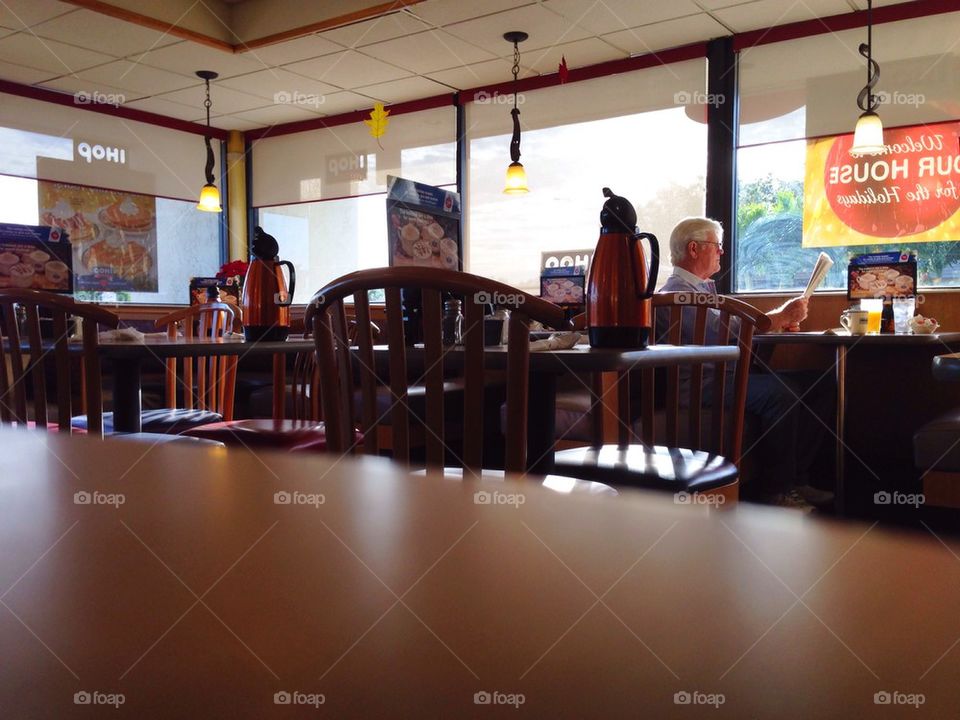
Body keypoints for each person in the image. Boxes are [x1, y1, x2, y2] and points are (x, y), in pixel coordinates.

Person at [657, 216, 834, 511]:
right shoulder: (674, 295)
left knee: (821, 383)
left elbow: (727, 331)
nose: (721, 252)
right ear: (693, 249)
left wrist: (777, 323)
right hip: (702, 384)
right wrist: (782, 316)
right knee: (782, 394)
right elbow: (727, 331)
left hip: (726, 375)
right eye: (717, 246)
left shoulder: (703, 290)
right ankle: (776, 490)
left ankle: (796, 478)